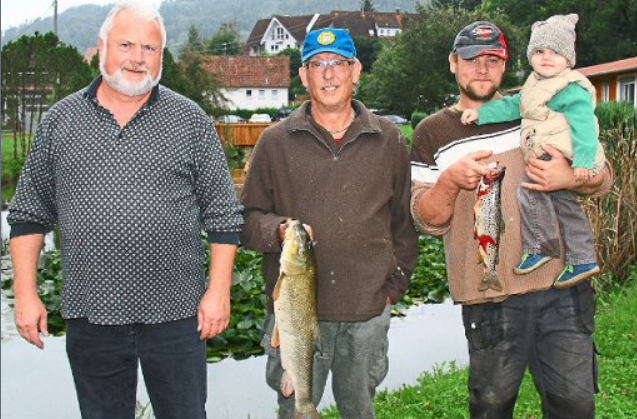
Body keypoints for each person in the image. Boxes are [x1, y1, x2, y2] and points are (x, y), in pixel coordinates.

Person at [7, 1, 243, 418]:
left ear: (161, 56)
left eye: (149, 48)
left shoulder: (190, 121)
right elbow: (29, 214)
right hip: (91, 313)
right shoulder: (60, 121)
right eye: (126, 45)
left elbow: (223, 215)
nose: (137, 58)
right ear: (102, 47)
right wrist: (25, 295)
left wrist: (218, 291)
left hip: (177, 313)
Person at [410, 21, 612, 419]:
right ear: (453, 63)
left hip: (562, 286)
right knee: (491, 408)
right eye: (472, 59)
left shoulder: (537, 104)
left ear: (505, 65)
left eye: (492, 60)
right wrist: (450, 182)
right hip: (490, 297)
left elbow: (602, 176)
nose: (482, 68)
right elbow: (426, 219)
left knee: (575, 407)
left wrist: (570, 177)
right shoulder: (431, 132)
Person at [240, 27, 418, 419]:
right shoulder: (274, 142)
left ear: (356, 70)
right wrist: (279, 231)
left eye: (338, 62)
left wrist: (393, 289)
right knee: (295, 408)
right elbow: (248, 220)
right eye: (317, 64)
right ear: (303, 76)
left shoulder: (388, 138)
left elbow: (403, 224)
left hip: (367, 311)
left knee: (359, 410)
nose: (329, 73)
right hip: (295, 316)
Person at [460, 14, 604, 288]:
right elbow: (513, 105)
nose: (546, 57)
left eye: (555, 52)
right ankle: (583, 259)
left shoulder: (570, 88)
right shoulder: (536, 84)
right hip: (556, 156)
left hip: (563, 155)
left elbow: (585, 126)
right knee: (566, 207)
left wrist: (582, 162)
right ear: (529, 57)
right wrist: (481, 114)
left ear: (569, 59)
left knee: (528, 192)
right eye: (539, 51)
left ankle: (540, 247)